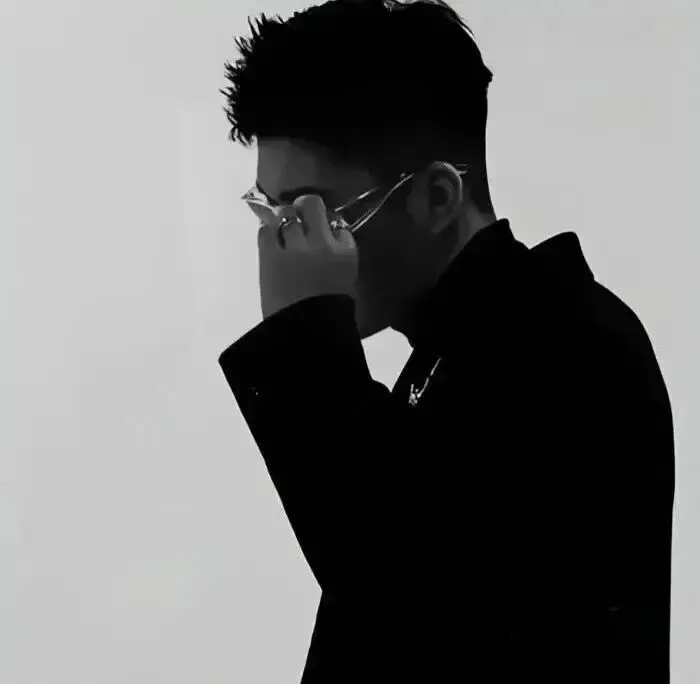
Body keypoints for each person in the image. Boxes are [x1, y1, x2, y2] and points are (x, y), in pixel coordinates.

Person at [216, 0, 675, 681]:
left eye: (314, 213)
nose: (284, 247)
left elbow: (401, 598)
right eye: (271, 212)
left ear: (436, 197)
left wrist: (301, 341)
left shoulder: (570, 348)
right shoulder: (460, 351)